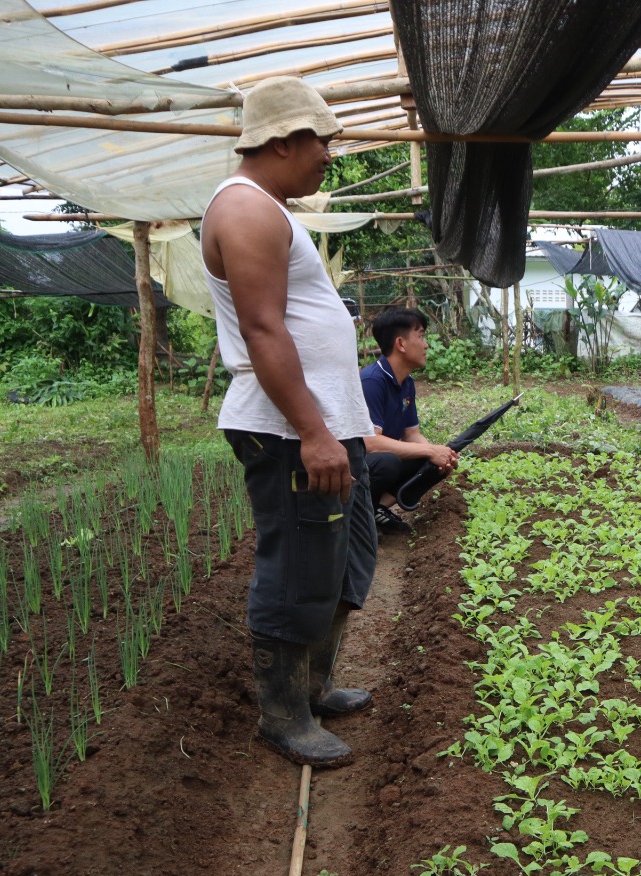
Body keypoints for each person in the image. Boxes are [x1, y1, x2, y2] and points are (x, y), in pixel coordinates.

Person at [201, 76, 377, 768]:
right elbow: (263, 330)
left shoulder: (272, 209)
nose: (329, 154)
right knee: (296, 568)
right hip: (287, 430)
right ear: (282, 141)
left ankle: (313, 687)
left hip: (326, 424)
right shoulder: (245, 208)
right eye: (321, 141)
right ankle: (282, 715)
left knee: (342, 561)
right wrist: (313, 432)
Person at [360, 306, 459, 535]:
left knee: (431, 463)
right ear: (401, 344)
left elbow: (411, 434)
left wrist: (439, 455)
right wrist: (430, 451)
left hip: (379, 459)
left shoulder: (407, 383)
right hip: (355, 463)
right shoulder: (371, 381)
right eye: (421, 336)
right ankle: (360, 517)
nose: (426, 345)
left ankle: (377, 508)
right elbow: (370, 443)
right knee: (387, 463)